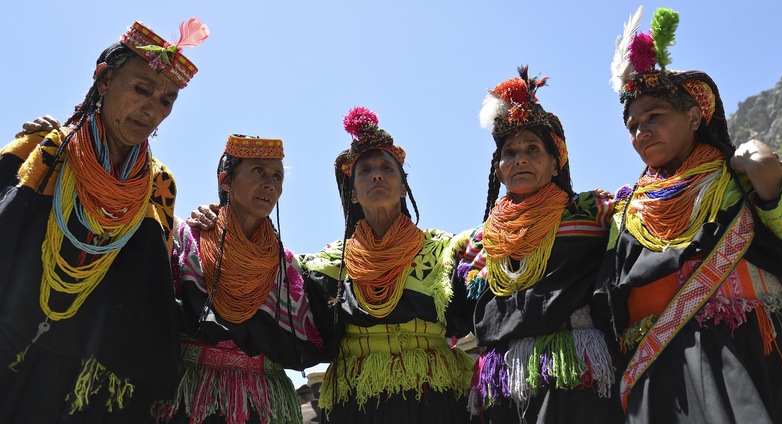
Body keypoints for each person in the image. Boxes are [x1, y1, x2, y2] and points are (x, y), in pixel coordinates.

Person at [0, 18, 208, 422]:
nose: (152, 109)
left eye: (166, 100)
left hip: (89, 381)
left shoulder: (158, 186)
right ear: (104, 81)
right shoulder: (44, 150)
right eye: (142, 89)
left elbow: (149, 291)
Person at [598, 7, 782, 423]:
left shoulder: (734, 178)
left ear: (694, 115)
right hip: (659, 372)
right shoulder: (625, 210)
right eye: (633, 126)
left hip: (746, 347)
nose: (641, 132)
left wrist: (764, 172)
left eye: (654, 116)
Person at [457, 67, 621, 423]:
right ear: (499, 170)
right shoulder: (480, 242)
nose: (521, 159)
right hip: (503, 380)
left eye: (533, 149)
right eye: (510, 153)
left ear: (555, 161)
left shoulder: (592, 213)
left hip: (574, 370)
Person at [298, 106, 475, 423]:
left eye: (386, 168)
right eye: (364, 171)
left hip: (433, 398)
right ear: (352, 194)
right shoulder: (329, 264)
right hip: (358, 402)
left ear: (404, 187)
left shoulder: (445, 250)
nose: (376, 174)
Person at [152, 135, 325, 424]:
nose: (270, 183)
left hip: (262, 403)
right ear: (225, 181)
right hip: (191, 396)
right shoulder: (188, 239)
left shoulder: (287, 266)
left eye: (277, 176)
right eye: (258, 171)